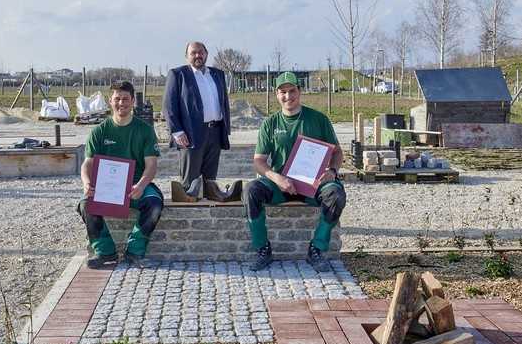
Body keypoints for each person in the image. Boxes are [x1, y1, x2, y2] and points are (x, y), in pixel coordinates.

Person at [243, 72, 346, 272]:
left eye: (292, 91)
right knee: (251, 191)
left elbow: (337, 152)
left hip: (313, 185)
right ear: (276, 94)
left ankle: (316, 249)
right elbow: (259, 161)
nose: (288, 96)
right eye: (283, 92)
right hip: (281, 186)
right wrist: (277, 178)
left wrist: (332, 171)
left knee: (336, 194)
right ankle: (262, 249)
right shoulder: (270, 123)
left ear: (299, 91)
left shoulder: (318, 119)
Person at [78, 81, 163, 268]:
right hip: (107, 187)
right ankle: (105, 252)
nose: (121, 103)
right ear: (110, 101)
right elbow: (87, 164)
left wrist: (141, 185)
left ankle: (135, 251)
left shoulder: (145, 130)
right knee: (85, 204)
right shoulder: (99, 131)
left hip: (136, 186)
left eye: (125, 99)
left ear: (132, 101)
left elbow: (151, 165)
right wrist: (86, 182)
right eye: (117, 99)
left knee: (155, 204)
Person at [163, 41, 235, 202]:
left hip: (215, 130)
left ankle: (211, 194)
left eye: (201, 52)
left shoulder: (217, 74)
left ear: (206, 54)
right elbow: (168, 106)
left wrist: (225, 128)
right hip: (190, 133)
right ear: (186, 56)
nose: (198, 55)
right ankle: (188, 199)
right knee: (191, 179)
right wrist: (177, 131)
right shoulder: (178, 75)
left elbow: (224, 102)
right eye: (193, 53)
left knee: (211, 175)